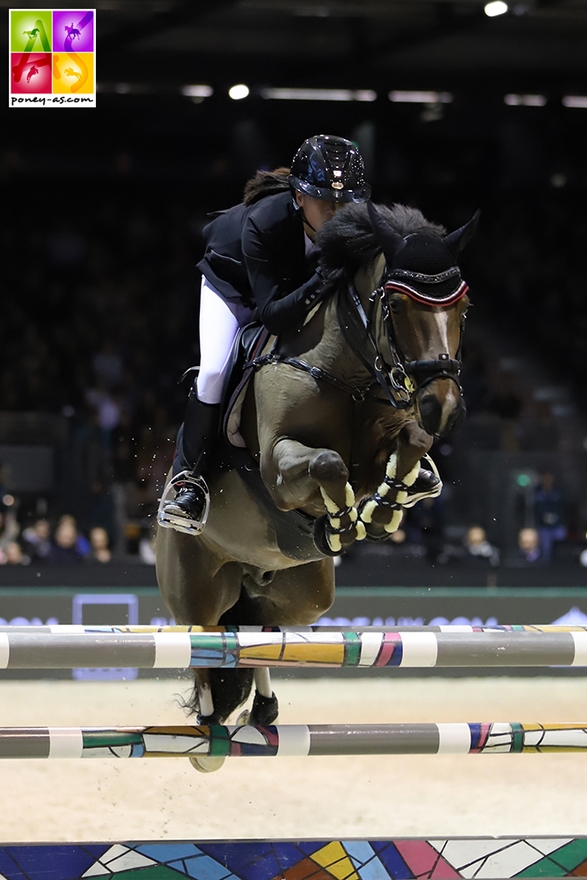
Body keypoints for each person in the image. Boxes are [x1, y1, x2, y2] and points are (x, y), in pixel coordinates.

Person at [159, 134, 441, 535]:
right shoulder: (265, 221)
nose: (338, 213)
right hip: (237, 287)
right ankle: (188, 480)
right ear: (298, 198)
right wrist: (323, 280)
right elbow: (272, 315)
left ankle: (401, 450)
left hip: (299, 283)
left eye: (348, 203)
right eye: (325, 201)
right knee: (214, 373)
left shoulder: (360, 223)